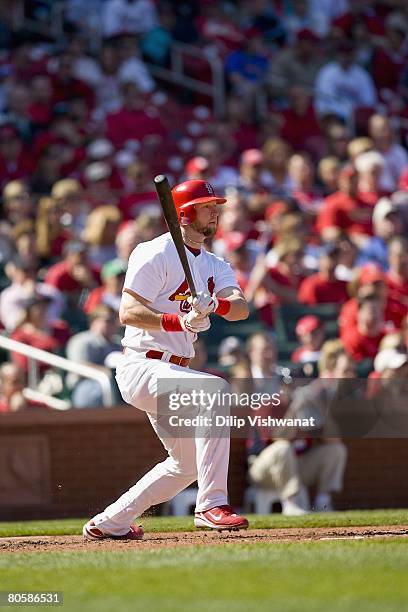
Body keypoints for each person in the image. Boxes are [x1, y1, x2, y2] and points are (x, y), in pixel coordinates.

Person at [82, 179, 250, 541]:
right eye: (207, 205)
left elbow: (240, 308)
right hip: (142, 364)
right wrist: (179, 320)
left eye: (216, 205)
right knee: (216, 391)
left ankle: (110, 522)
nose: (216, 211)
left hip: (175, 369)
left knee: (186, 464)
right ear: (184, 214)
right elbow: (128, 311)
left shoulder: (215, 264)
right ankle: (211, 505)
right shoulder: (153, 252)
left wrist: (214, 305)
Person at [248, 339, 352, 514]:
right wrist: (294, 410)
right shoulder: (269, 405)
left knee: (336, 450)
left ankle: (323, 501)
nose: (295, 389)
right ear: (281, 386)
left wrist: (319, 409)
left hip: (296, 467)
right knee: (283, 448)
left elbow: (333, 439)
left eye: (299, 384)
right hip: (262, 469)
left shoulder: (310, 406)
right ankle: (291, 503)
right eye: (290, 385)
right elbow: (278, 438)